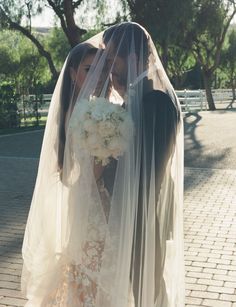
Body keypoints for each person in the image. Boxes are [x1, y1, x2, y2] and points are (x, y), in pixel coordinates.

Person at [21, 22, 184, 307]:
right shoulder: (130, 102)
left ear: (132, 57)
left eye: (111, 59)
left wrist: (100, 167)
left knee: (148, 294)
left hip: (141, 227)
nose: (107, 69)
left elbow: (148, 176)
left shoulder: (156, 103)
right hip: (118, 226)